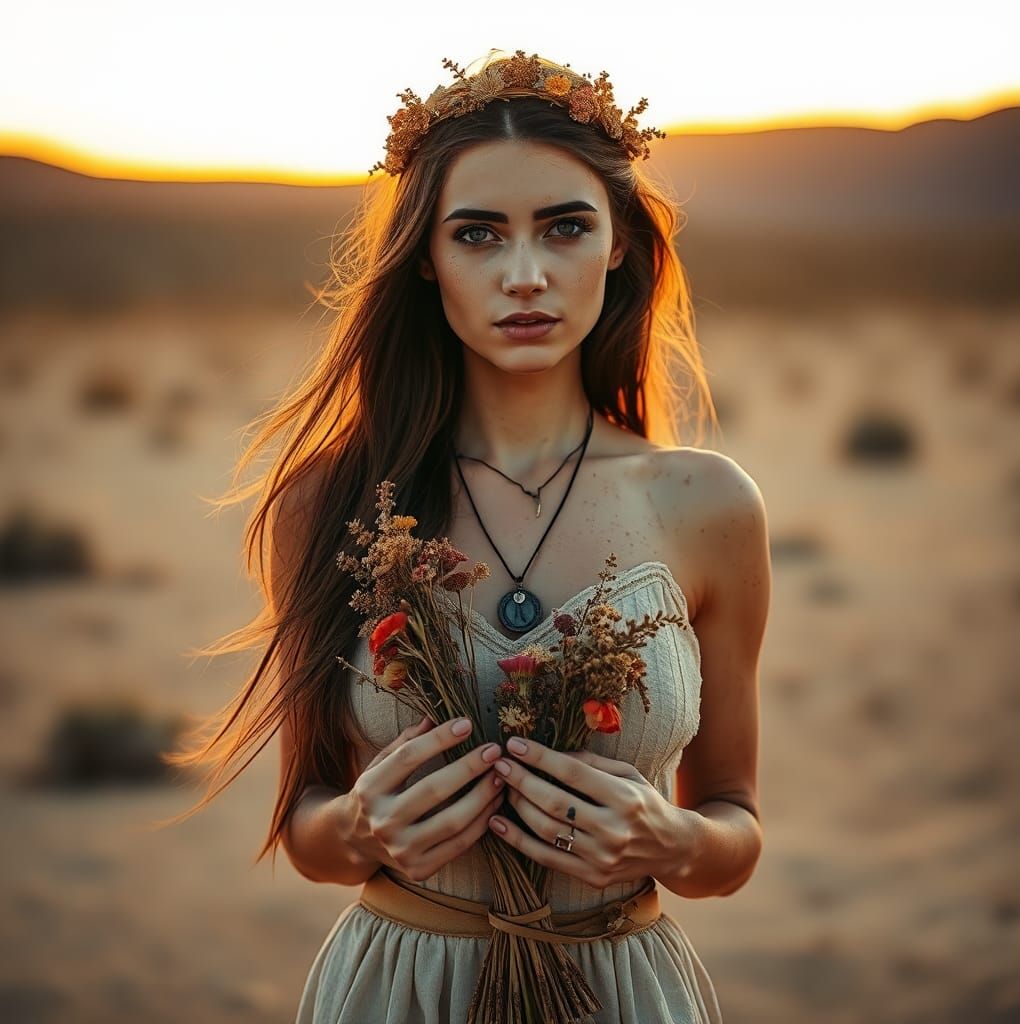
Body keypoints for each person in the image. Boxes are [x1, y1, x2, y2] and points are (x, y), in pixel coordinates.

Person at [165, 47, 769, 1024]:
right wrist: (362, 823)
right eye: (478, 234)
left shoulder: (708, 505)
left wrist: (671, 840)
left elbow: (734, 822)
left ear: (617, 243)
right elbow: (310, 826)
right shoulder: (336, 500)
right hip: (401, 987)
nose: (525, 275)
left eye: (564, 227)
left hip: (618, 988)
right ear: (427, 257)